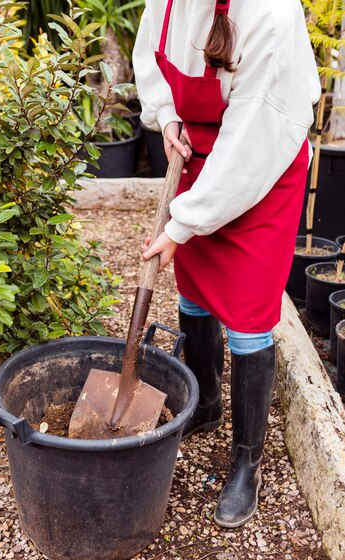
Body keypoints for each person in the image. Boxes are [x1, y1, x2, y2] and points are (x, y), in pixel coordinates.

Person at [133, 0, 320, 528]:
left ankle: (247, 462)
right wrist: (168, 117)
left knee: (247, 316)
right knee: (193, 286)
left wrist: (180, 224)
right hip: (199, 155)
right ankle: (207, 399)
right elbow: (152, 53)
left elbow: (251, 146)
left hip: (261, 169)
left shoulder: (270, 16)